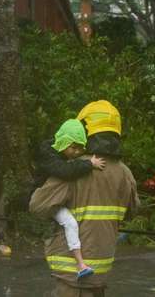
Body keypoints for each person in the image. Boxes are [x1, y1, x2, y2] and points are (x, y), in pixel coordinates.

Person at [29, 100, 138, 297]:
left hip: (72, 276)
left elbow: (37, 206)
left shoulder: (73, 169)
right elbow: (131, 212)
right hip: (101, 272)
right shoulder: (125, 174)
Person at [35, 119, 107, 279]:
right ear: (63, 142)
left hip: (60, 198)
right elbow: (65, 171)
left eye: (80, 148)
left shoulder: (59, 151)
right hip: (47, 199)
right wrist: (89, 164)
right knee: (70, 222)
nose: (77, 152)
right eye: (73, 148)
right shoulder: (48, 155)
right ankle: (81, 265)